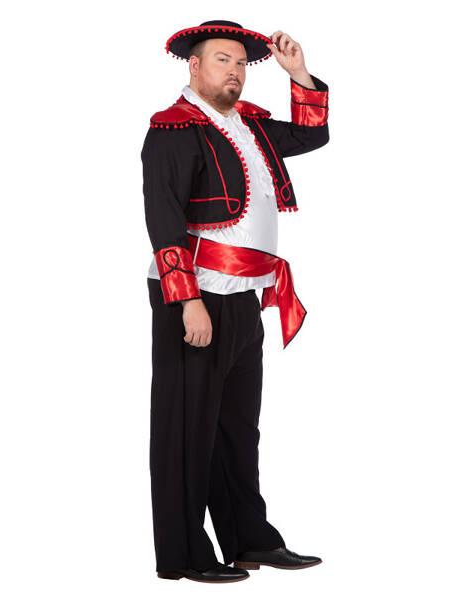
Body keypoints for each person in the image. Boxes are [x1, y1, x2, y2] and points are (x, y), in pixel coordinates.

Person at [141, 19, 330, 583]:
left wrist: (299, 74)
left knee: (237, 428)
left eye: (242, 63)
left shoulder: (250, 125)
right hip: (196, 296)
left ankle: (250, 540)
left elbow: (312, 135)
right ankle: (185, 555)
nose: (235, 71)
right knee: (186, 429)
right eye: (222, 60)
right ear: (195, 66)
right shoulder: (172, 129)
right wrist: (187, 301)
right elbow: (164, 221)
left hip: (246, 296)